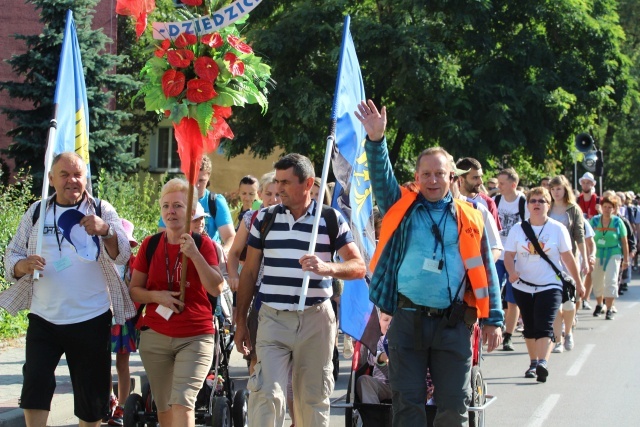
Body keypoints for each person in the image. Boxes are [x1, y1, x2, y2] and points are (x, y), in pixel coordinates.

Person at [355, 99, 503, 426]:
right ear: (417, 176)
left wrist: (493, 318)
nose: (433, 180)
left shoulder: (471, 216)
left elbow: (485, 270)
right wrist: (377, 141)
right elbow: (381, 181)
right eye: (426, 174)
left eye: (439, 173)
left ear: (452, 176)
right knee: (407, 405)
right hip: (407, 320)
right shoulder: (403, 208)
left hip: (453, 324)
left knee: (453, 405)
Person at [0, 152, 135, 427]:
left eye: (78, 175)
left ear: (85, 179)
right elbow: (11, 255)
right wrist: (21, 266)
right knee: (35, 386)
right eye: (64, 174)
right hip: (44, 318)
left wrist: (106, 230)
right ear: (51, 179)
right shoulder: (37, 210)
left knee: (92, 399)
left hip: (91, 318)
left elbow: (122, 255)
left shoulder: (100, 208)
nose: (72, 181)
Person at [234, 153, 366, 427]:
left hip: (315, 319)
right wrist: (240, 322)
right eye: (277, 181)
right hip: (272, 318)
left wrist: (327, 268)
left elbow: (358, 266)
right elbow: (248, 273)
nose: (279, 188)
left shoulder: (331, 219)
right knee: (267, 395)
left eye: (286, 182)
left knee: (312, 401)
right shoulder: (264, 219)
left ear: (308, 184)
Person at [130, 178, 225, 427]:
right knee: (164, 407)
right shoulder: (150, 245)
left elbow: (216, 287)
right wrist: (156, 296)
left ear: (191, 211)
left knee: (182, 402)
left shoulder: (204, 245)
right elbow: (135, 291)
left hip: (195, 336)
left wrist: (194, 255)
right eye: (166, 206)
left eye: (178, 206)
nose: (171, 211)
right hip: (155, 335)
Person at [503, 187, 584, 382]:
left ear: (548, 205)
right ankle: (533, 362)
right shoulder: (518, 229)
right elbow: (508, 254)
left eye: (541, 201)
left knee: (545, 325)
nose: (537, 204)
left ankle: (543, 363)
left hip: (550, 285)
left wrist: (579, 283)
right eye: (533, 201)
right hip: (523, 285)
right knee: (530, 326)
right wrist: (512, 272)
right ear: (528, 205)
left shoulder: (557, 229)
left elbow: (567, 257)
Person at [227, 171, 281, 375]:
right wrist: (234, 275)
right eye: (268, 194)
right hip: (258, 290)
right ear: (260, 194)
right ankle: (255, 395)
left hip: (284, 292)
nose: (273, 199)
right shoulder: (252, 218)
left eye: (278, 194)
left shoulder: (292, 218)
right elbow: (233, 253)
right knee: (257, 353)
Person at [158, 155, 236, 253]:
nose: (197, 185)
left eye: (201, 180)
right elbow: (162, 234)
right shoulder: (173, 202)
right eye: (193, 180)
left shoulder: (215, 201)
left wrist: (221, 256)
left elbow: (230, 237)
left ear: (208, 177)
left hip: (209, 259)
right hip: (179, 258)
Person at [547, 175, 587, 353]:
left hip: (569, 259)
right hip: (550, 261)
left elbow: (579, 235)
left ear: (565, 190)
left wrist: (585, 259)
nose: (556, 192)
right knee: (555, 302)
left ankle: (568, 331)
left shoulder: (573, 209)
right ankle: (557, 340)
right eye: (553, 189)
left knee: (569, 303)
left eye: (559, 189)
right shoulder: (547, 208)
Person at [107, 218, 140, 426]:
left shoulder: (133, 265)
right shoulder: (103, 261)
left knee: (122, 363)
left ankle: (123, 405)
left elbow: (137, 290)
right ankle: (108, 399)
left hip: (125, 318)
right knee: (102, 363)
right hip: (102, 317)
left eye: (126, 244)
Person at [494, 167, 529, 351]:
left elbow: (530, 229)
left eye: (502, 183)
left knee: (512, 297)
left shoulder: (523, 203)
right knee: (493, 291)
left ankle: (508, 335)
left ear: (513, 184)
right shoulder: (496, 200)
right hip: (498, 253)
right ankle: (494, 326)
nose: (498, 186)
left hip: (516, 255)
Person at [590, 194, 629, 320]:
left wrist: (626, 259)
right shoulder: (595, 221)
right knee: (597, 280)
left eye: (610, 207)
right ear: (601, 207)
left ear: (614, 209)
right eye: (605, 207)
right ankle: (599, 304)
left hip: (613, 253)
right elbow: (588, 238)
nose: (607, 209)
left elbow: (624, 241)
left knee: (611, 281)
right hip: (597, 253)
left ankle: (609, 308)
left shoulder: (618, 222)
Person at [455, 157, 502, 231]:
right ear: (461, 179)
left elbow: (494, 238)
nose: (481, 182)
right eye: (475, 178)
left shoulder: (488, 203)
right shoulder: (447, 201)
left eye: (481, 177)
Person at [356, 313, 392, 404]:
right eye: (385, 320)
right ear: (379, 322)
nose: (389, 324)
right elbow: (371, 358)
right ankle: (373, 412)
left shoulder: (406, 341)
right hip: (382, 385)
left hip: (402, 387)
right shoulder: (378, 341)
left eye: (394, 320)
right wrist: (384, 357)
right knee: (363, 380)